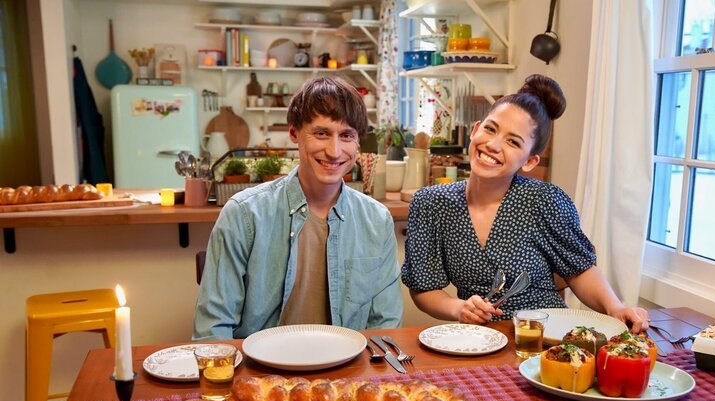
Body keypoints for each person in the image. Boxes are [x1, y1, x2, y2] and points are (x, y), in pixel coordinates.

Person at [401, 74, 649, 332]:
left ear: (530, 161)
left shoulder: (545, 200)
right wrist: (459, 308)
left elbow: (580, 271)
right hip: (477, 341)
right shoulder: (430, 203)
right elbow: (424, 288)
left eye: (513, 141)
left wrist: (615, 308)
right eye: (490, 129)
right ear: (475, 130)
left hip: (547, 338)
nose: (493, 145)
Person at [193, 77, 402, 341]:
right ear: (294, 134)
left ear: (357, 142)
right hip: (262, 375)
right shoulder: (243, 214)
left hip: (348, 375)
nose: (334, 151)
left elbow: (384, 327)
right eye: (321, 133)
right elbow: (213, 331)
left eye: (346, 135)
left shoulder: (377, 219)